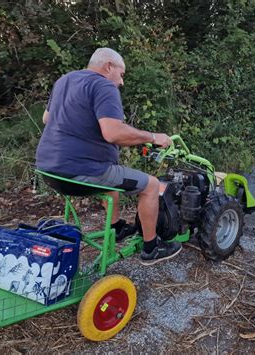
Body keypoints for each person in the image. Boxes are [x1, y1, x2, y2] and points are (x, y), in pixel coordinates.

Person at [35, 48, 182, 265]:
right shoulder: (103, 85)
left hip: (48, 170)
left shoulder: (65, 80)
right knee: (150, 185)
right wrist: (152, 137)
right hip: (81, 173)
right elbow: (113, 133)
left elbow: (47, 118)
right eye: (121, 75)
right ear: (109, 66)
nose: (121, 82)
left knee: (114, 177)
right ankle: (152, 248)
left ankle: (116, 228)